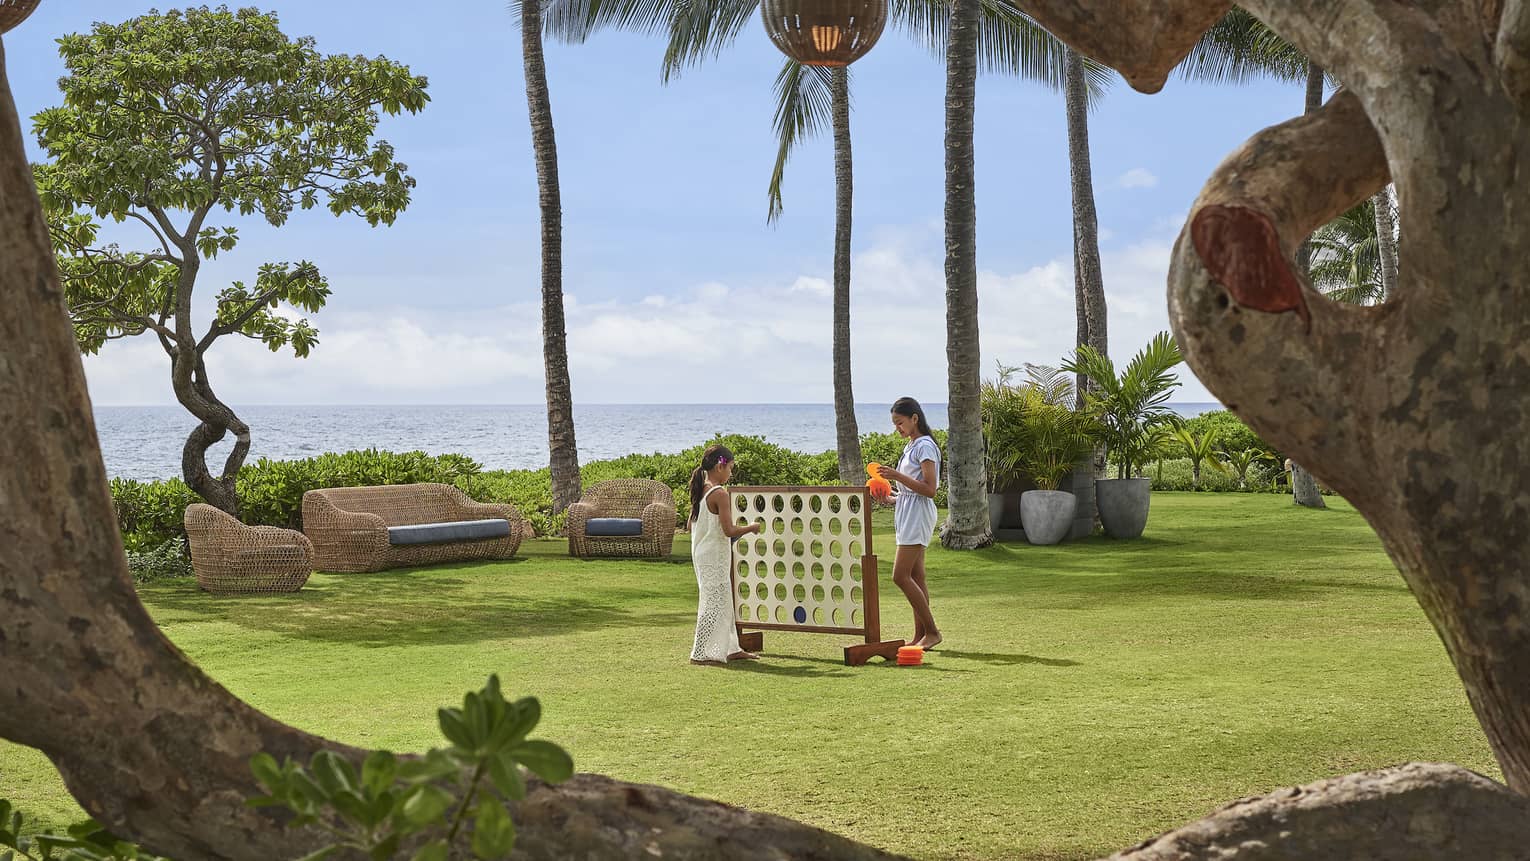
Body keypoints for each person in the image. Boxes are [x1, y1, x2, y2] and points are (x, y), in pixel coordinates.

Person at [876, 397, 942, 651]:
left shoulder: (924, 446)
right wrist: (892, 498)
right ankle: (921, 635)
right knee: (916, 575)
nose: (897, 428)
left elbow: (930, 489)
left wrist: (895, 475)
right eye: (894, 424)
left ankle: (933, 631)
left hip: (918, 514)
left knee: (900, 576)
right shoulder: (912, 445)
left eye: (900, 423)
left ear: (915, 418)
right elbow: (910, 491)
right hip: (908, 510)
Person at [687, 444, 762, 666]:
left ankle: (731, 648)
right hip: (713, 556)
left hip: (704, 552)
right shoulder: (719, 493)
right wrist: (750, 527)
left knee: (723, 600)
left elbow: (692, 525)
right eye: (730, 467)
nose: (731, 472)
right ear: (720, 466)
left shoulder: (701, 488)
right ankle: (699, 653)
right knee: (712, 603)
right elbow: (729, 530)